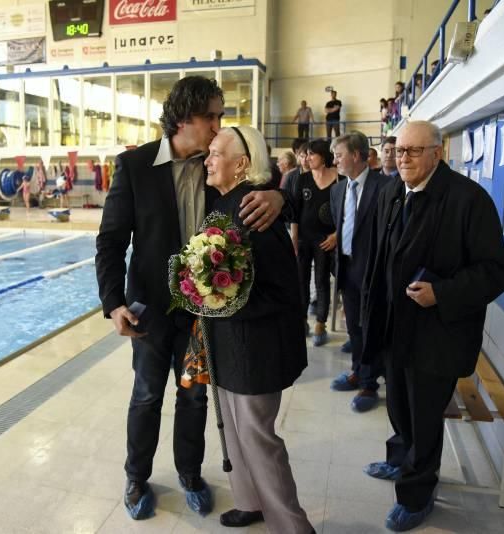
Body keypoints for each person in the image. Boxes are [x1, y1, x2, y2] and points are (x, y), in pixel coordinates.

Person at [95, 76, 287, 521]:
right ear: (183, 118)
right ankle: (136, 477)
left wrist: (278, 196)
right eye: (212, 115)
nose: (219, 124)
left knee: (195, 399)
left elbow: (271, 183)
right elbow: (109, 242)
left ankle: (189, 473)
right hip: (148, 309)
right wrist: (113, 303)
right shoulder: (136, 166)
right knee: (145, 396)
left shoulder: (216, 165)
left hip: (203, 313)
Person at [360, 121, 504, 531]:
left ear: (437, 152)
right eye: (397, 150)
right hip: (395, 327)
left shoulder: (468, 200)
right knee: (398, 407)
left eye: (412, 151)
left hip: (437, 335)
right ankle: (400, 460)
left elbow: (496, 271)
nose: (401, 158)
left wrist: (441, 293)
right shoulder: (395, 191)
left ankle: (417, 493)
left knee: (424, 417)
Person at [203, 125, 314, 534]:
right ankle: (250, 501)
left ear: (242, 164)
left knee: (257, 440)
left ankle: (292, 526)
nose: (208, 159)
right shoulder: (221, 204)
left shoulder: (253, 210)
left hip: (256, 348)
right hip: (229, 343)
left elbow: (285, 289)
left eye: (216, 153)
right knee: (234, 432)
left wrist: (223, 299)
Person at [328, 132, 391, 412]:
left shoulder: (386, 187)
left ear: (356, 155)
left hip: (374, 271)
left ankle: (369, 382)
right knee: (353, 325)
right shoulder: (338, 189)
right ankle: (357, 370)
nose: (335, 161)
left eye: (339, 155)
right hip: (348, 267)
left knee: (371, 326)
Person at [291, 139, 338, 346]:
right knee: (301, 281)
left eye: (312, 154)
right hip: (303, 238)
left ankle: (320, 322)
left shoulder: (339, 179)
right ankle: (301, 320)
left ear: (324, 156)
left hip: (325, 239)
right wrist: (293, 238)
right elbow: (294, 213)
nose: (307, 158)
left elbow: (347, 212)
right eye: (306, 154)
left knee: (321, 280)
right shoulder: (302, 180)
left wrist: (336, 235)